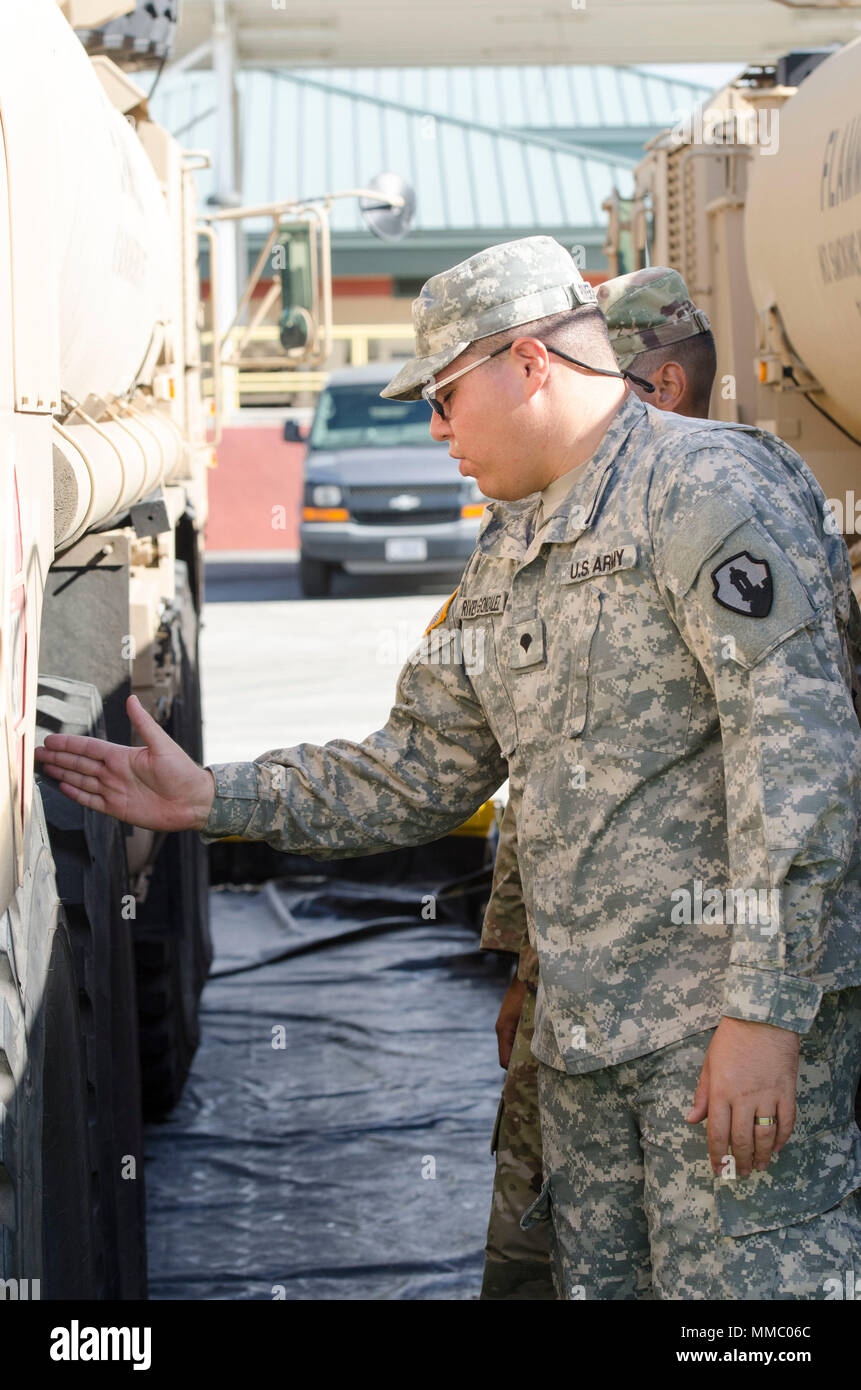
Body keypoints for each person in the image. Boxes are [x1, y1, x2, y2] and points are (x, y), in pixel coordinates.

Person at [34, 236, 861, 1300]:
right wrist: (210, 795)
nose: (435, 431)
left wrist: (766, 1014)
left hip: (722, 1046)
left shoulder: (700, 489)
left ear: (529, 363)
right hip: (588, 1059)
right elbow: (419, 767)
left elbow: (798, 755)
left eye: (444, 396)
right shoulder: (511, 549)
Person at [479, 266, 718, 1302]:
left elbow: (790, 775)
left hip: (700, 1021)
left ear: (657, 385)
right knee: (551, 1251)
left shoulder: (717, 511)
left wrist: (766, 1009)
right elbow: (537, 776)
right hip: (575, 1003)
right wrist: (522, 957)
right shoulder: (535, 531)